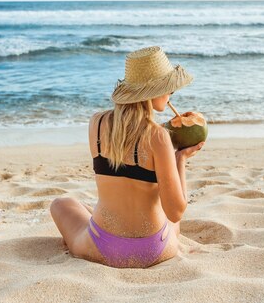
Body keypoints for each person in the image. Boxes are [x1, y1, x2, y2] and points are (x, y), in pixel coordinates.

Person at [49, 46, 205, 268]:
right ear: (153, 91)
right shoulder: (158, 136)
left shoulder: (97, 123)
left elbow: (128, 144)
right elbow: (176, 211)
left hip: (101, 247)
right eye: (169, 88)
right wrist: (180, 160)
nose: (171, 94)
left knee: (61, 204)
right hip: (154, 250)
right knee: (167, 215)